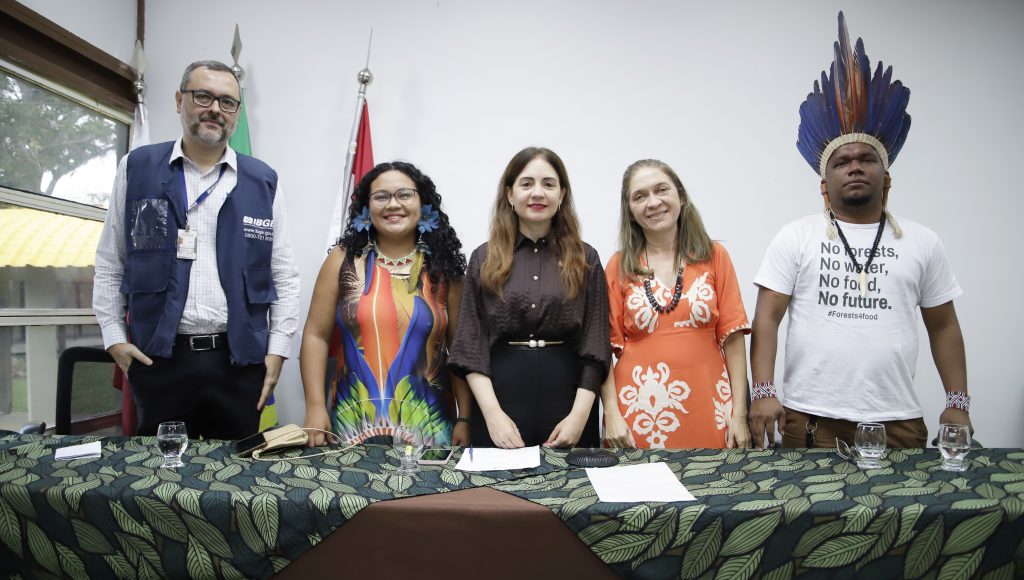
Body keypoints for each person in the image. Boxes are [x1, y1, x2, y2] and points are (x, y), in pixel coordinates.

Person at [749, 13, 971, 449]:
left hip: (898, 423)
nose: (854, 167)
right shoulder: (795, 237)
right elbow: (766, 319)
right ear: (824, 181)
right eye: (841, 161)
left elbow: (943, 326)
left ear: (885, 176)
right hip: (809, 422)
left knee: (901, 521)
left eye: (865, 159)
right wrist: (763, 392)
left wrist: (958, 401)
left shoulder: (922, 241)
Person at [93, 60, 300, 439]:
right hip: (160, 359)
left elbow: (284, 274)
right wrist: (114, 338)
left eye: (227, 102)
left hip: (239, 361)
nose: (215, 109)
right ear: (179, 100)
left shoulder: (263, 181)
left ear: (237, 113)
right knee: (160, 483)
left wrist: (278, 350)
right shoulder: (137, 168)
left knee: (235, 481)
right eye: (203, 96)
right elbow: (111, 261)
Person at [300, 162, 471, 447]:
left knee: (429, 493)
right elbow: (315, 336)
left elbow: (461, 350)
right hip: (352, 422)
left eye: (404, 195)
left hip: (430, 425)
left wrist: (465, 417)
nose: (393, 204)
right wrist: (315, 406)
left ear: (423, 203)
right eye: (381, 196)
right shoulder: (341, 262)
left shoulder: (445, 270)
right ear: (367, 208)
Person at [449, 147, 610, 449]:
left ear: (562, 194)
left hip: (570, 402)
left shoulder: (586, 258)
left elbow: (596, 345)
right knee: (500, 491)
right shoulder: (483, 258)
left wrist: (579, 417)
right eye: (527, 184)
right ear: (510, 194)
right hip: (499, 403)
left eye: (548, 184)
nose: (538, 193)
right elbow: (471, 345)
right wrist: (493, 415)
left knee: (569, 492)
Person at [601, 160, 751, 449]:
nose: (653, 202)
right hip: (638, 410)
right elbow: (602, 350)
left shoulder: (715, 255)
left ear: (680, 197)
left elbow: (733, 338)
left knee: (711, 488)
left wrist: (740, 414)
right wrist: (612, 413)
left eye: (661, 190)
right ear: (630, 211)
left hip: (710, 404)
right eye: (639, 196)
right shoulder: (619, 266)